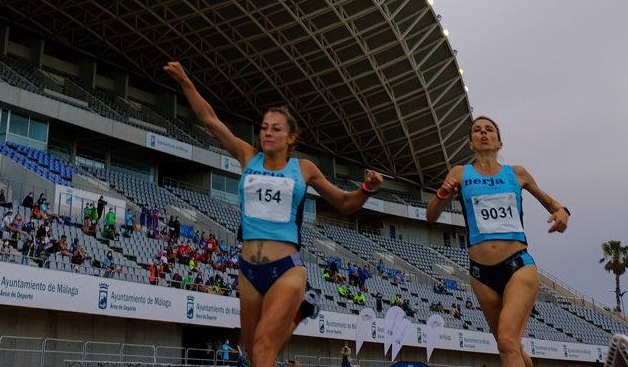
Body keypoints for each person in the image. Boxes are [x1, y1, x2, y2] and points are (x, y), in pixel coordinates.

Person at [165, 61, 384, 367]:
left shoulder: (303, 169)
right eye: (264, 127)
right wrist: (186, 82)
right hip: (248, 271)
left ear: (291, 137)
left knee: (265, 347)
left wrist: (366, 189)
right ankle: (301, 311)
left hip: (286, 269)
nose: (267, 132)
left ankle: (299, 306)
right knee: (255, 355)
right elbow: (211, 121)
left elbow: (345, 204)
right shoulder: (247, 156)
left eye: (276, 128)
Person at [427, 115, 569, 367]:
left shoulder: (517, 173)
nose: (483, 133)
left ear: (499, 142)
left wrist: (562, 213)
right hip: (481, 274)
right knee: (509, 345)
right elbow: (431, 215)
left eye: (489, 130)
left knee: (506, 339)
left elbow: (551, 203)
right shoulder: (460, 174)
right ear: (471, 143)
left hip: (518, 265)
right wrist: (442, 193)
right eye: (477, 130)